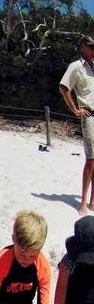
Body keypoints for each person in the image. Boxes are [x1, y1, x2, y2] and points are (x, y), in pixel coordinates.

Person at [59, 35, 94, 215]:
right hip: (89, 115)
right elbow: (64, 87)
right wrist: (75, 110)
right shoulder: (76, 66)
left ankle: (93, 202)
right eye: (91, 47)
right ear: (83, 47)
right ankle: (82, 203)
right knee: (91, 160)